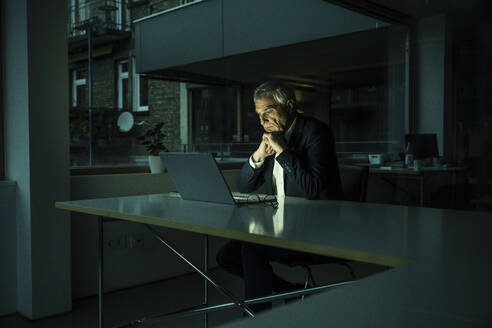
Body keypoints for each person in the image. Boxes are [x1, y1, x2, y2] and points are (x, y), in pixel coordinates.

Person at [216, 81, 344, 313]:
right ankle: (290, 292)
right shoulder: (270, 135)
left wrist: (284, 151)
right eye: (258, 114)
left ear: (289, 105)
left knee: (251, 249)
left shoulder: (315, 132)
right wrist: (258, 156)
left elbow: (312, 188)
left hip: (316, 228)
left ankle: (260, 319)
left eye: (268, 112)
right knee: (226, 256)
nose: (262, 120)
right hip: (281, 225)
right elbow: (244, 186)